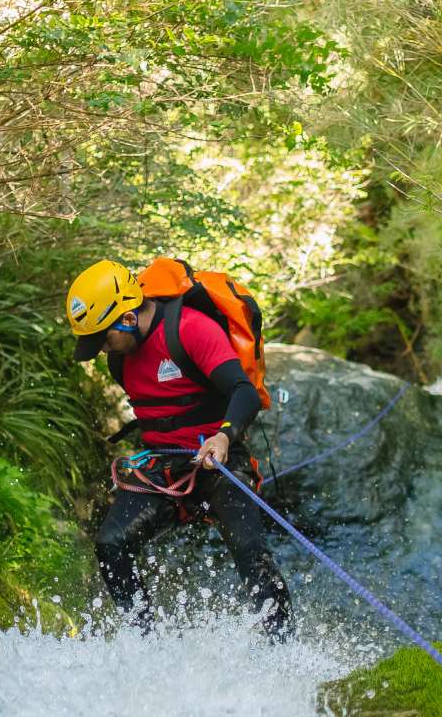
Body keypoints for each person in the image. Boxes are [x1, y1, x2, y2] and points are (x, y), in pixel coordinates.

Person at [67, 259, 291, 638]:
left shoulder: (191, 330)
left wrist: (223, 437)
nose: (103, 350)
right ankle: (145, 642)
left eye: (103, 339)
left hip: (217, 460)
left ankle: (283, 644)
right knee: (110, 545)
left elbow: (244, 393)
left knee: (251, 550)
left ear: (125, 319)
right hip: (163, 467)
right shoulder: (120, 359)